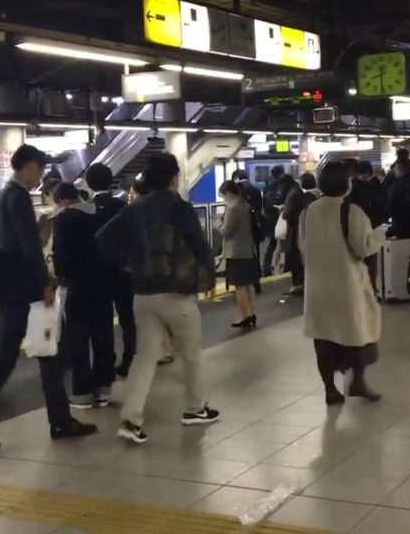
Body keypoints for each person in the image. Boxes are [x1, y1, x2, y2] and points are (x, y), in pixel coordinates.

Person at [0, 145, 96, 454]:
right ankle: (57, 421)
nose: (41, 177)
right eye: (40, 169)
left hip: (8, 289)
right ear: (30, 167)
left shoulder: (3, 195)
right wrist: (44, 283)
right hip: (25, 289)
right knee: (41, 354)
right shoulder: (18, 197)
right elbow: (27, 244)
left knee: (22, 357)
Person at [97, 153, 220, 444]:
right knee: (190, 353)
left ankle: (131, 418)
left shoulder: (134, 210)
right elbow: (200, 246)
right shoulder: (180, 209)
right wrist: (210, 277)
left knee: (145, 358)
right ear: (173, 178)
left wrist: (126, 264)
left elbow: (103, 238)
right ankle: (194, 409)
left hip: (142, 294)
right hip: (176, 293)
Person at [300, 161, 385, 405]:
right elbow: (363, 246)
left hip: (317, 285)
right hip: (347, 285)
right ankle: (358, 381)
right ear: (346, 184)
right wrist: (380, 233)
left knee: (323, 338)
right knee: (358, 333)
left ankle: (330, 389)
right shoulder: (351, 211)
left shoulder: (309, 210)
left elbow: (302, 245)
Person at [52, 182, 116, 408]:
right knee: (103, 334)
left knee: (78, 337)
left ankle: (82, 392)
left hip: (77, 285)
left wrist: (59, 276)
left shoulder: (64, 220)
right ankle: (104, 388)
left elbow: (60, 256)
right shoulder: (99, 215)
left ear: (63, 201)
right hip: (103, 283)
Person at [85, 164, 136, 378]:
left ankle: (105, 366)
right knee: (128, 320)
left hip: (96, 275)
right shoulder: (123, 207)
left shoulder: (86, 209)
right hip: (123, 272)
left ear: (88, 184)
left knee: (102, 323)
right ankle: (129, 361)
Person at [129, 179, 176, 366]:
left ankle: (163, 350)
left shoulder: (139, 214)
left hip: (150, 270)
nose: (129, 196)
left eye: (132, 192)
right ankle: (165, 349)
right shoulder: (161, 211)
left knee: (154, 313)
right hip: (163, 267)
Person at [218, 181, 260, 329]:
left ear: (228, 194)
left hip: (236, 253)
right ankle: (253, 314)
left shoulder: (233, 208)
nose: (223, 199)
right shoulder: (246, 206)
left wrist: (218, 224)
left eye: (222, 196)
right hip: (249, 250)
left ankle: (245, 316)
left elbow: (227, 232)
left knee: (240, 287)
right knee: (249, 285)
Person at [282, 173, 319, 294]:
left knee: (296, 257)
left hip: (296, 231)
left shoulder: (296, 195)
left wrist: (283, 212)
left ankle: (298, 284)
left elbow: (288, 214)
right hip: (312, 232)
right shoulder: (317, 196)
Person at [261, 166, 290, 275]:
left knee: (272, 244)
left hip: (270, 218)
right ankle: (283, 266)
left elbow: (264, 204)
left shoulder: (267, 186)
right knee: (284, 244)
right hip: (281, 218)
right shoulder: (283, 186)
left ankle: (266, 267)